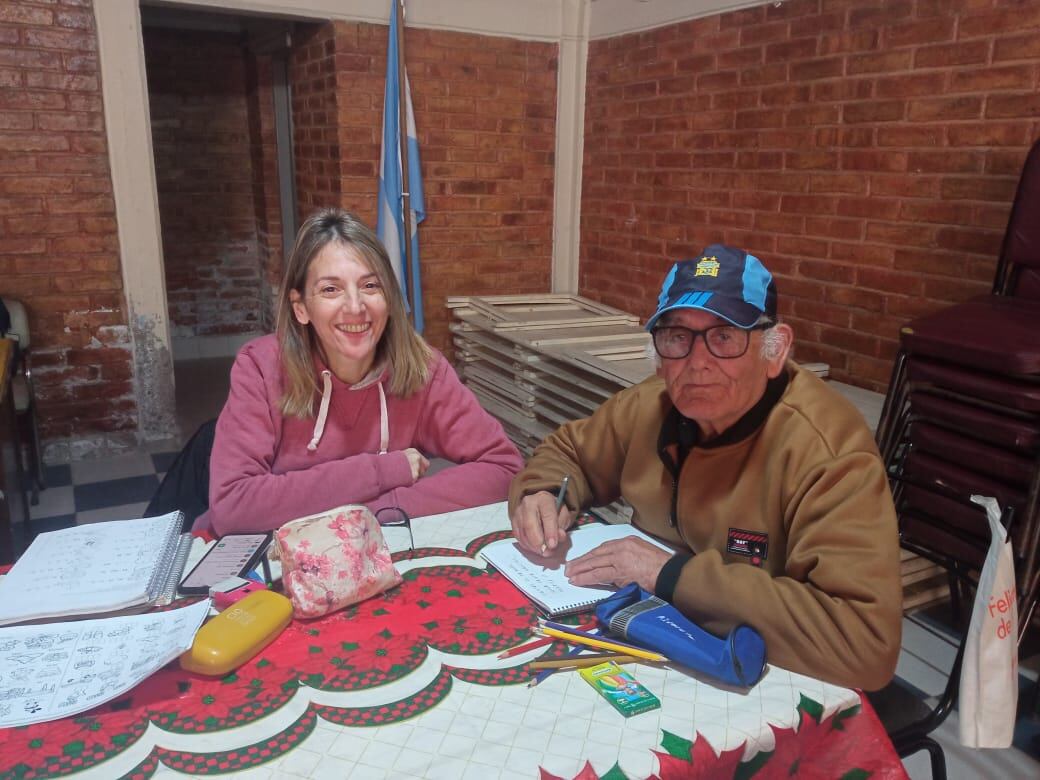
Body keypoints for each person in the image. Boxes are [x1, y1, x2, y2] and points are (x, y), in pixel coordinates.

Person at [508, 244, 902, 691]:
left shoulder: (826, 451)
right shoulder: (652, 404)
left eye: (725, 337)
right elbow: (571, 453)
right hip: (649, 643)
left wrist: (669, 574)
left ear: (774, 350)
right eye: (677, 337)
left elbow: (864, 643)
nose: (696, 363)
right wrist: (540, 492)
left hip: (763, 674)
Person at [194, 208, 523, 536]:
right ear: (301, 308)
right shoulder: (261, 368)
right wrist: (381, 472)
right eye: (330, 290)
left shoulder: (423, 369)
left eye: (370, 286)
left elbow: (504, 468)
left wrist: (377, 511)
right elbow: (233, 508)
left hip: (374, 546)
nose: (355, 307)